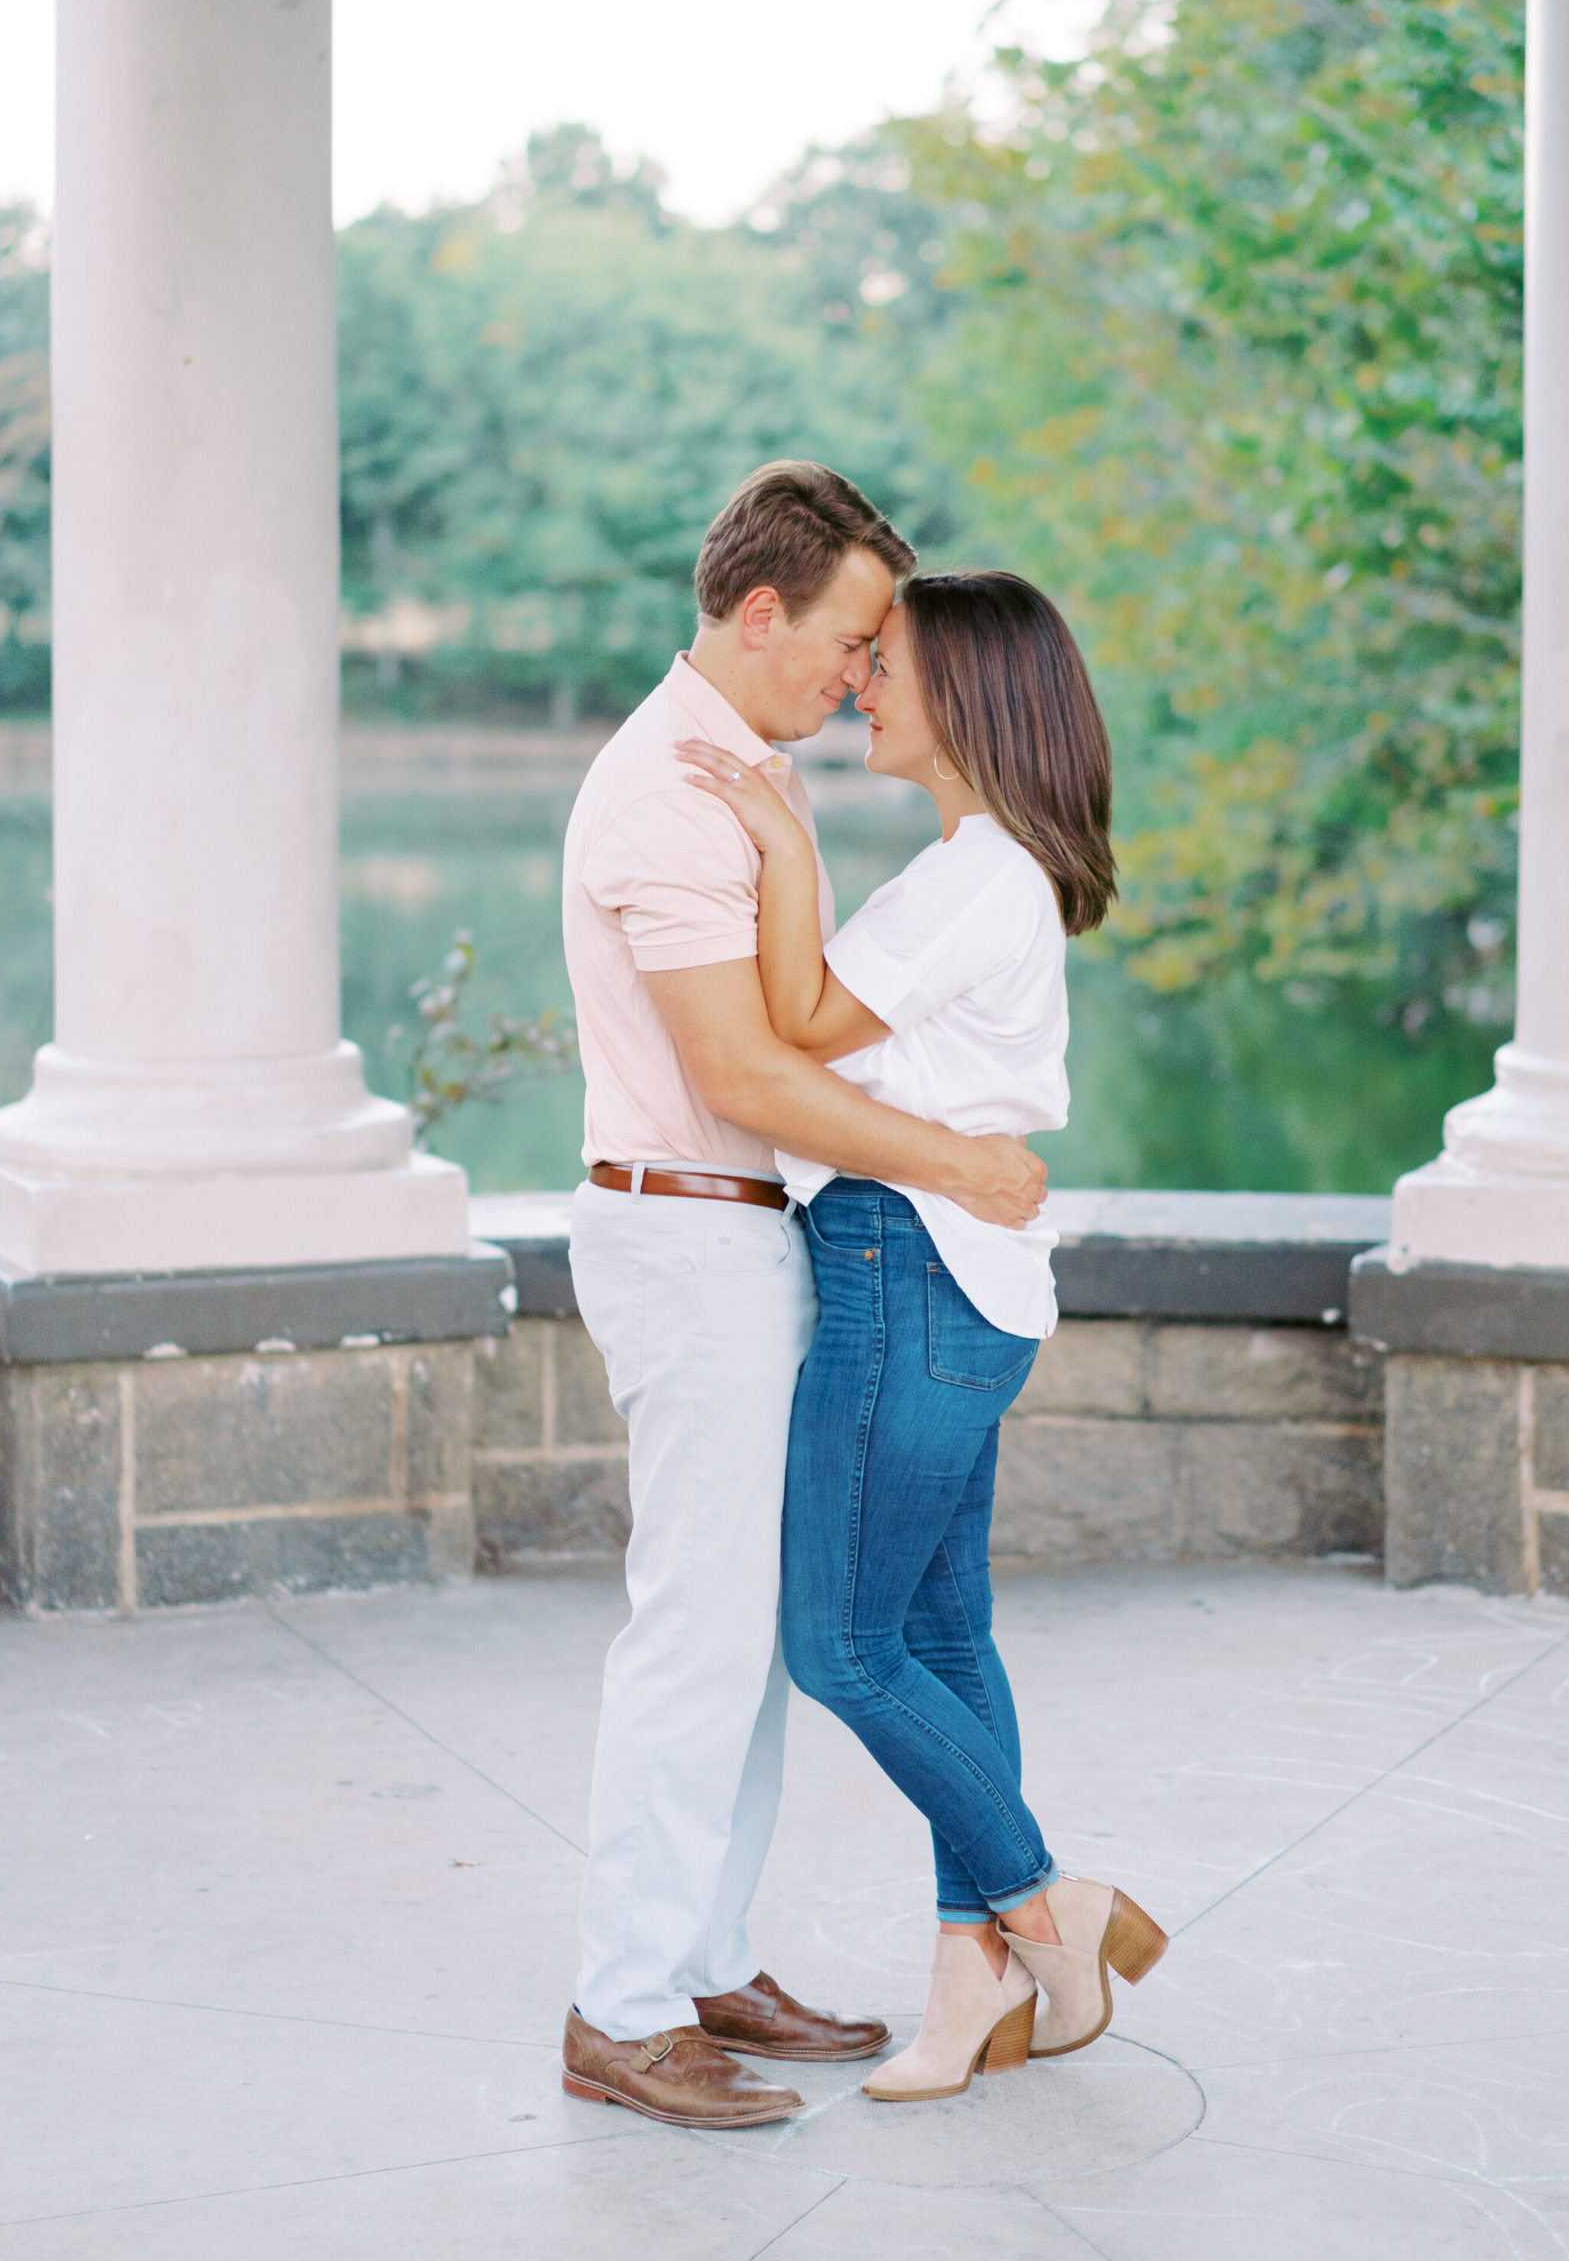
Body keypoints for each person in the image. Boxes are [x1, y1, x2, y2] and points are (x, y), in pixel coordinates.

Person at [557, 466, 1050, 2131]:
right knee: (700, 1633)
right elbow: (745, 1068)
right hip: (689, 1232)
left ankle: (702, 1957)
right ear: (758, 614)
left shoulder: (747, 776)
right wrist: (955, 1162)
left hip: (749, 1235)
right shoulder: (667, 797)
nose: (861, 672)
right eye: (848, 638)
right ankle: (621, 2008)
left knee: (759, 1639)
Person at [678, 569, 1169, 2107]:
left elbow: (802, 1028)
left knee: (838, 1642)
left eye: (887, 666)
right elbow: (832, 1023)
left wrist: (776, 839)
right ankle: (975, 1990)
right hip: (955, 1279)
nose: (862, 686)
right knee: (943, 1642)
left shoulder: (977, 879)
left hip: (909, 1274)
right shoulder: (986, 867)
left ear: (969, 696)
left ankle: (1046, 1909)